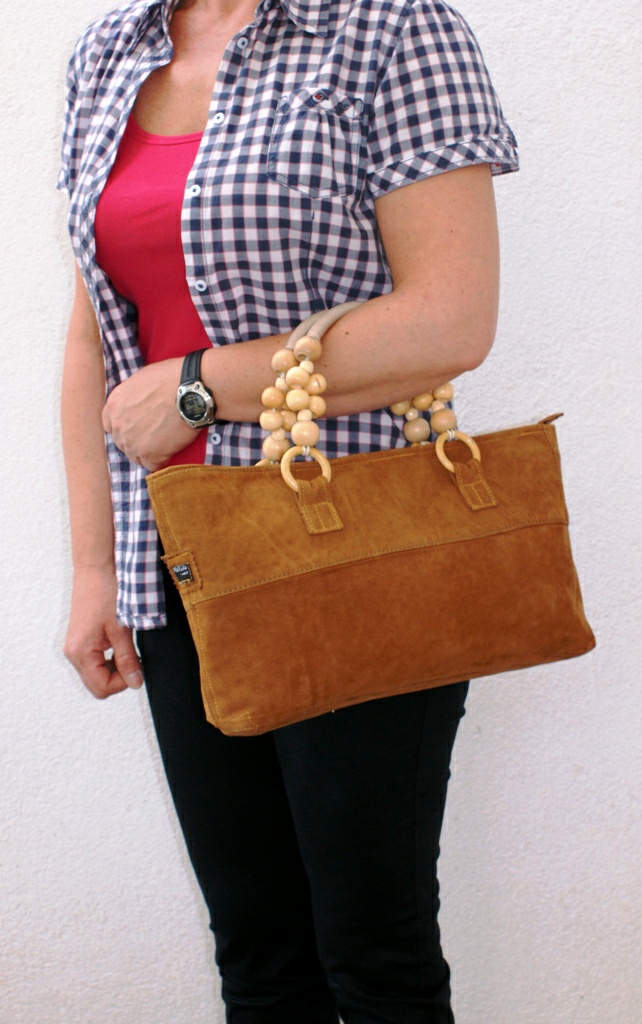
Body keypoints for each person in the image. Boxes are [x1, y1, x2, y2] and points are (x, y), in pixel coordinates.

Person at [59, 0, 518, 1020]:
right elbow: (95, 337)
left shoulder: (393, 30)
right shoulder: (110, 51)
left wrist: (197, 387)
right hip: (175, 563)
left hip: (354, 555)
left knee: (375, 953)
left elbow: (449, 320)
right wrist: (95, 572)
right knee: (258, 955)